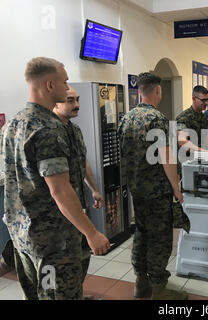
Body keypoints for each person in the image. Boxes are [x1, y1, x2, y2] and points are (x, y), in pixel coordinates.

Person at [0, 57, 110, 300]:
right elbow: (59, 190)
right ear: (50, 85)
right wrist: (91, 233)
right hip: (53, 240)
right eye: (65, 82)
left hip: (22, 235)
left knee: (36, 294)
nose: (68, 87)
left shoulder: (12, 124)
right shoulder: (48, 128)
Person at [118, 72, 187, 300]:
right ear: (157, 90)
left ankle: (141, 282)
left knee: (141, 233)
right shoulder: (157, 119)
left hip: (137, 190)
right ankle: (159, 289)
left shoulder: (126, 118)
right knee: (159, 238)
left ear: (139, 91)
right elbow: (167, 158)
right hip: (157, 192)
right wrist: (176, 188)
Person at [53, 85, 104, 288]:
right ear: (56, 101)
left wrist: (95, 190)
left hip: (79, 203)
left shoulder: (74, 130)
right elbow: (57, 188)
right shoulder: (49, 132)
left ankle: (77, 293)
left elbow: (84, 163)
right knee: (62, 267)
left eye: (77, 99)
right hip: (59, 214)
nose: (77, 105)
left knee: (82, 256)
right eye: (70, 100)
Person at [176, 85, 208, 167]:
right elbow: (183, 142)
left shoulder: (203, 117)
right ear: (194, 99)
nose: (206, 103)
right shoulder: (183, 117)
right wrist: (204, 151)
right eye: (203, 100)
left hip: (201, 162)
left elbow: (206, 137)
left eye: (207, 100)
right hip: (187, 163)